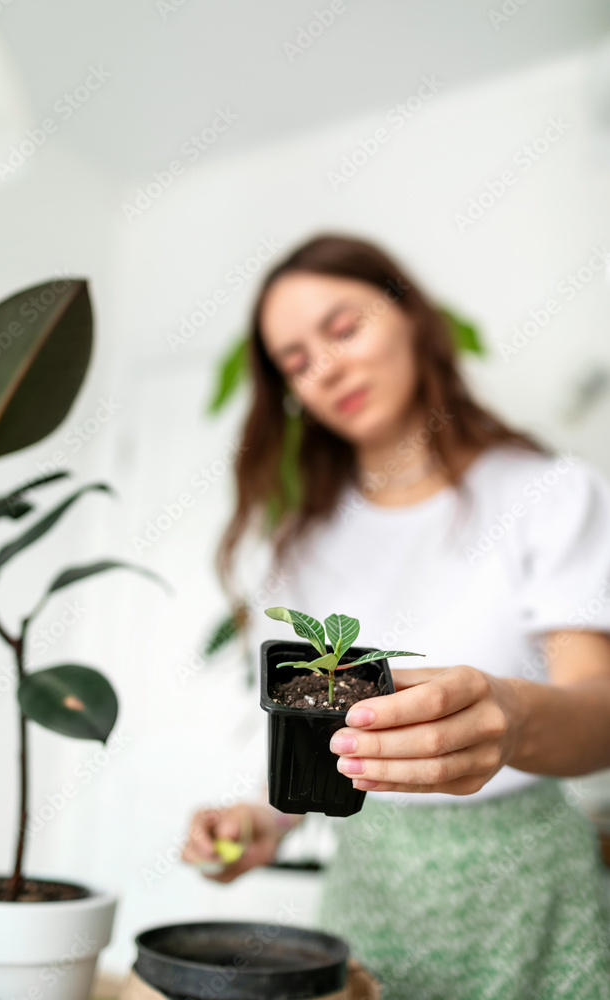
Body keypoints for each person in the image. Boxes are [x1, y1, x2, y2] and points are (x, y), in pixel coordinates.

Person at [182, 233, 610, 999]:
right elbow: (318, 744)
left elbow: (598, 711)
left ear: (408, 314)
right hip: (369, 894)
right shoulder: (304, 546)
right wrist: (261, 822)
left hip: (529, 900)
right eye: (296, 361)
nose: (327, 367)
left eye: (342, 329)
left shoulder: (546, 494)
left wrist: (509, 715)